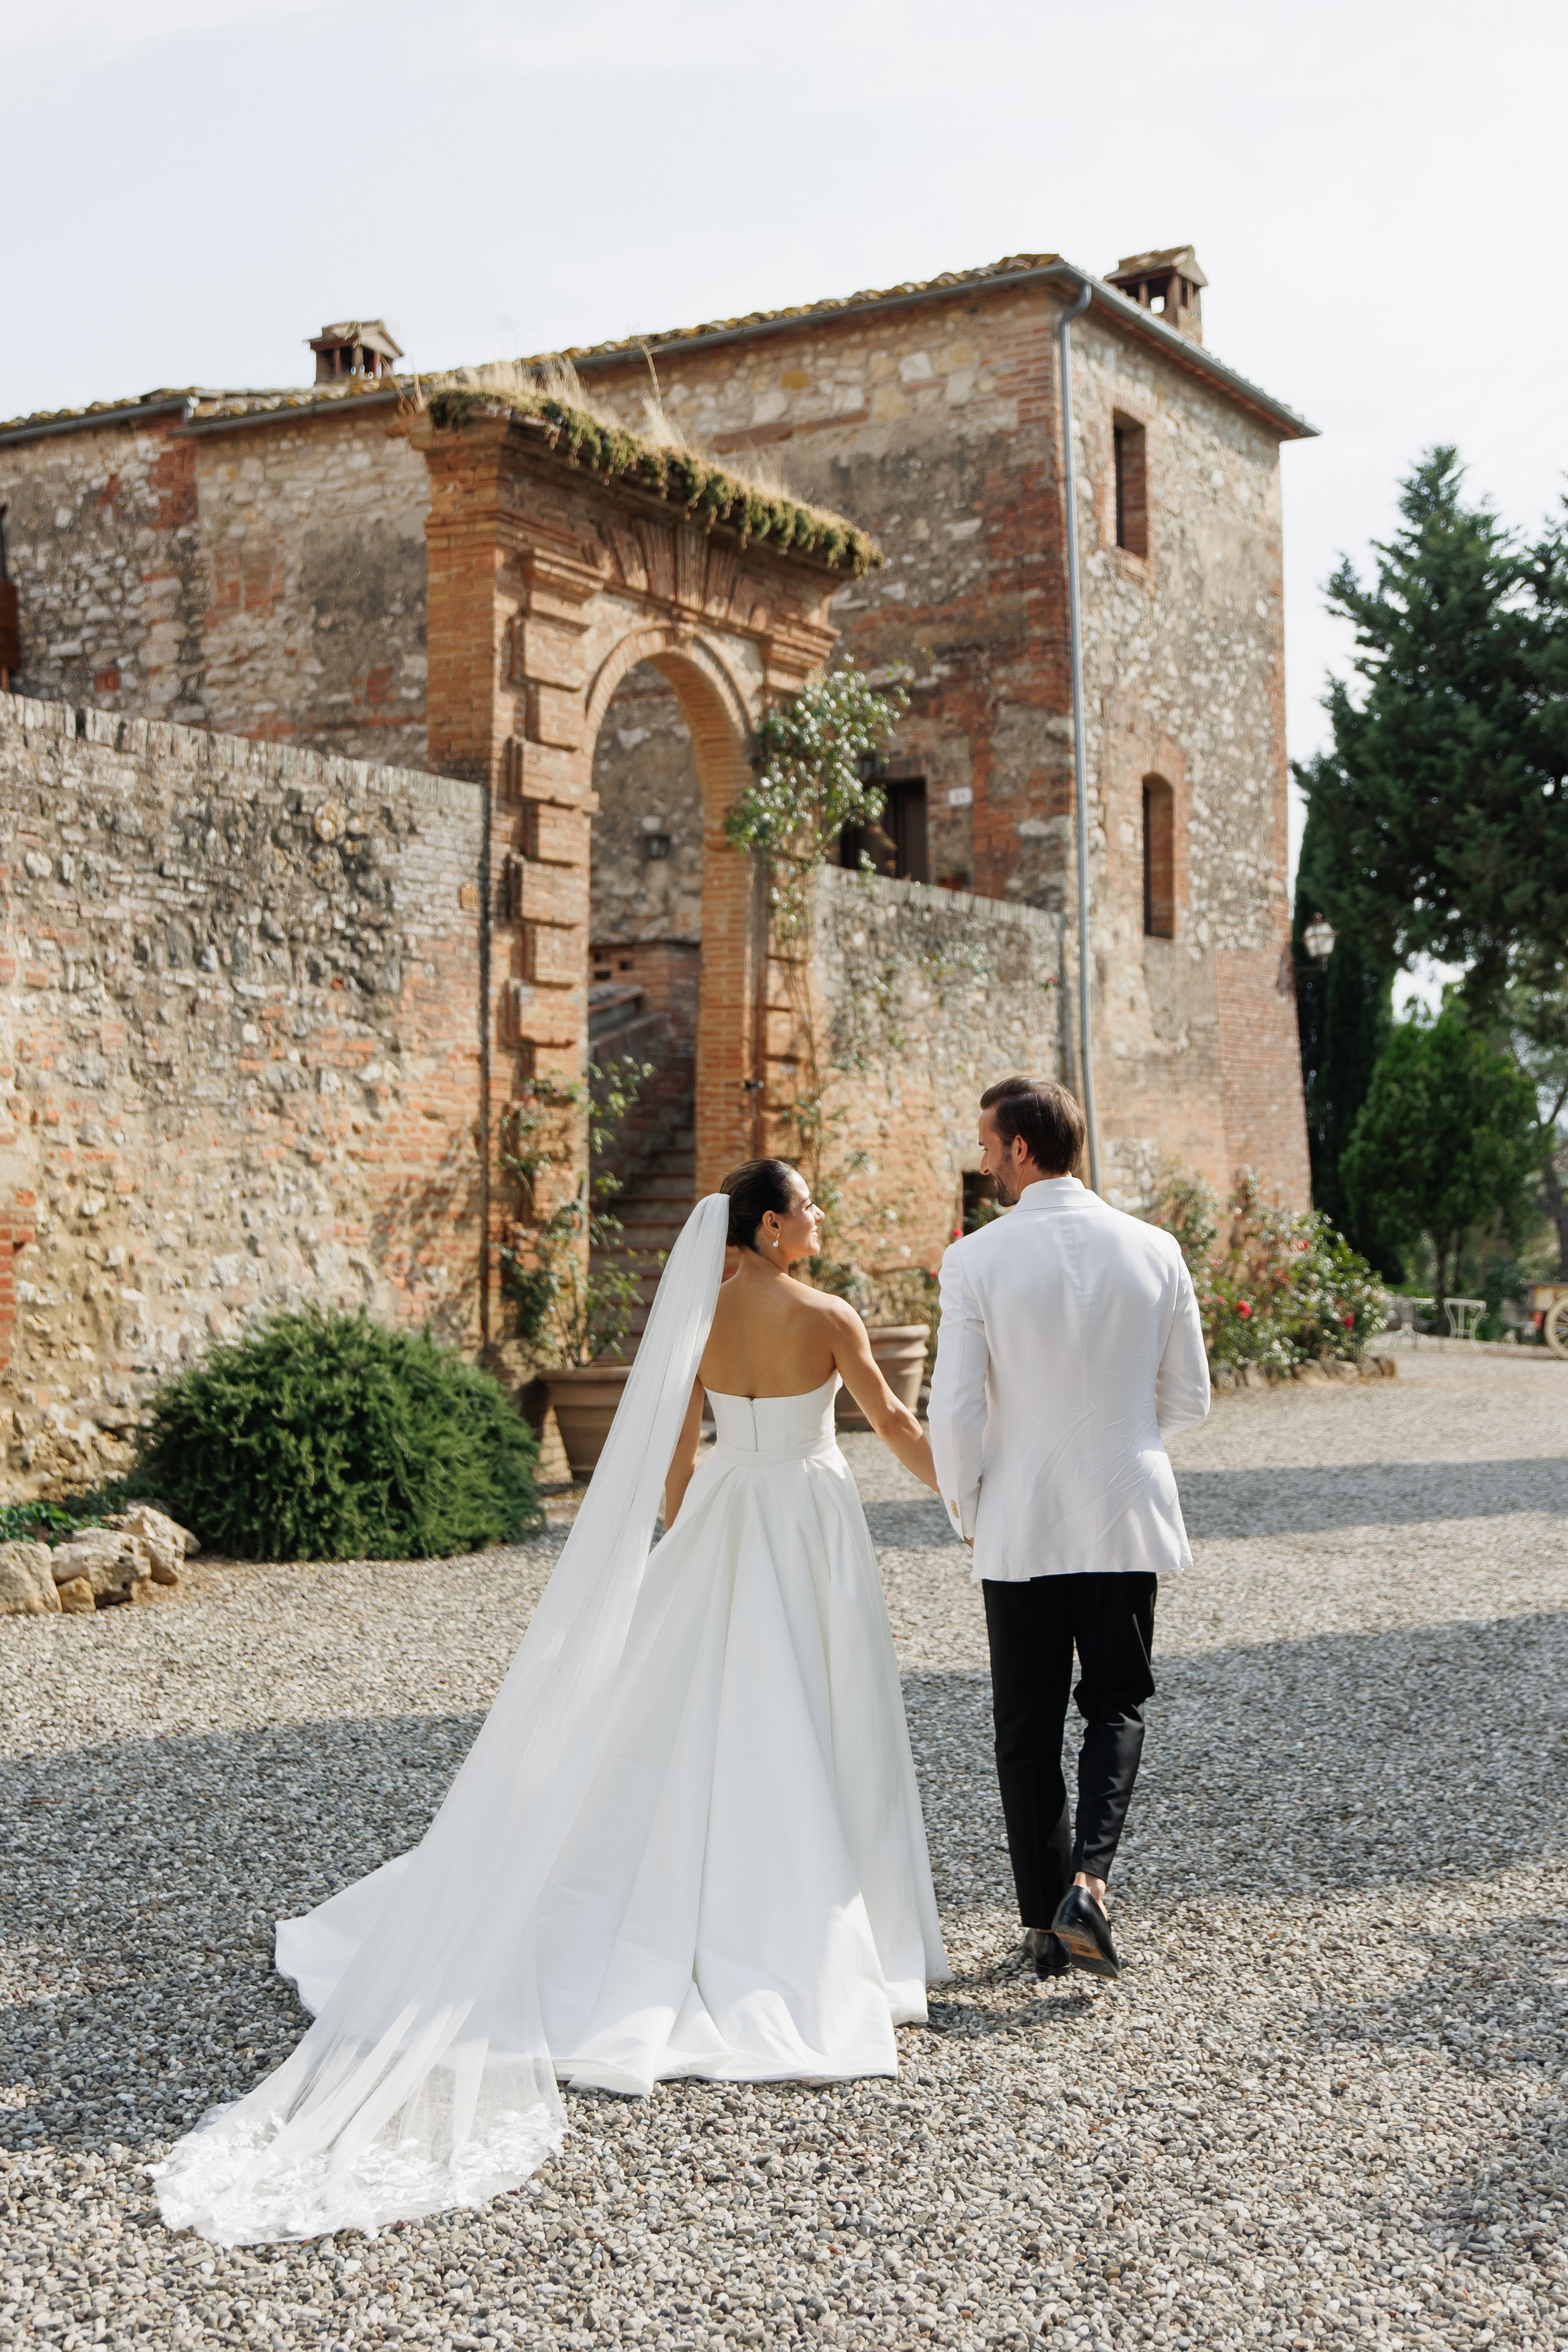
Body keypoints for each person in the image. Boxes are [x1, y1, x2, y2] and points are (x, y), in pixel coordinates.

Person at [154, 1163, 947, 2245]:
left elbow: (674, 1455)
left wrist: (671, 1541)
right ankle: (817, 1909)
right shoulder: (827, 1313)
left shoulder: (699, 1319)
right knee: (820, 1698)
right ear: (769, 1226)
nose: (818, 1218)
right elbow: (893, 1417)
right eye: (806, 1206)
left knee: (680, 1711)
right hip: (808, 1522)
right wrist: (971, 1485)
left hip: (723, 1516)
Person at [927, 1077, 1208, 1984]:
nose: (980, 1158)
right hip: (1127, 1510)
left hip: (1023, 1519)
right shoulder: (1157, 1249)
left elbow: (957, 1407)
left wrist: (968, 1504)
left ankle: (1045, 1934)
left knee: (1026, 1726)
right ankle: (1089, 1881)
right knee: (1117, 1705)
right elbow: (1188, 1400)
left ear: (1019, 1148)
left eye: (985, 1142)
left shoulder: (976, 1259)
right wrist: (1119, 1442)